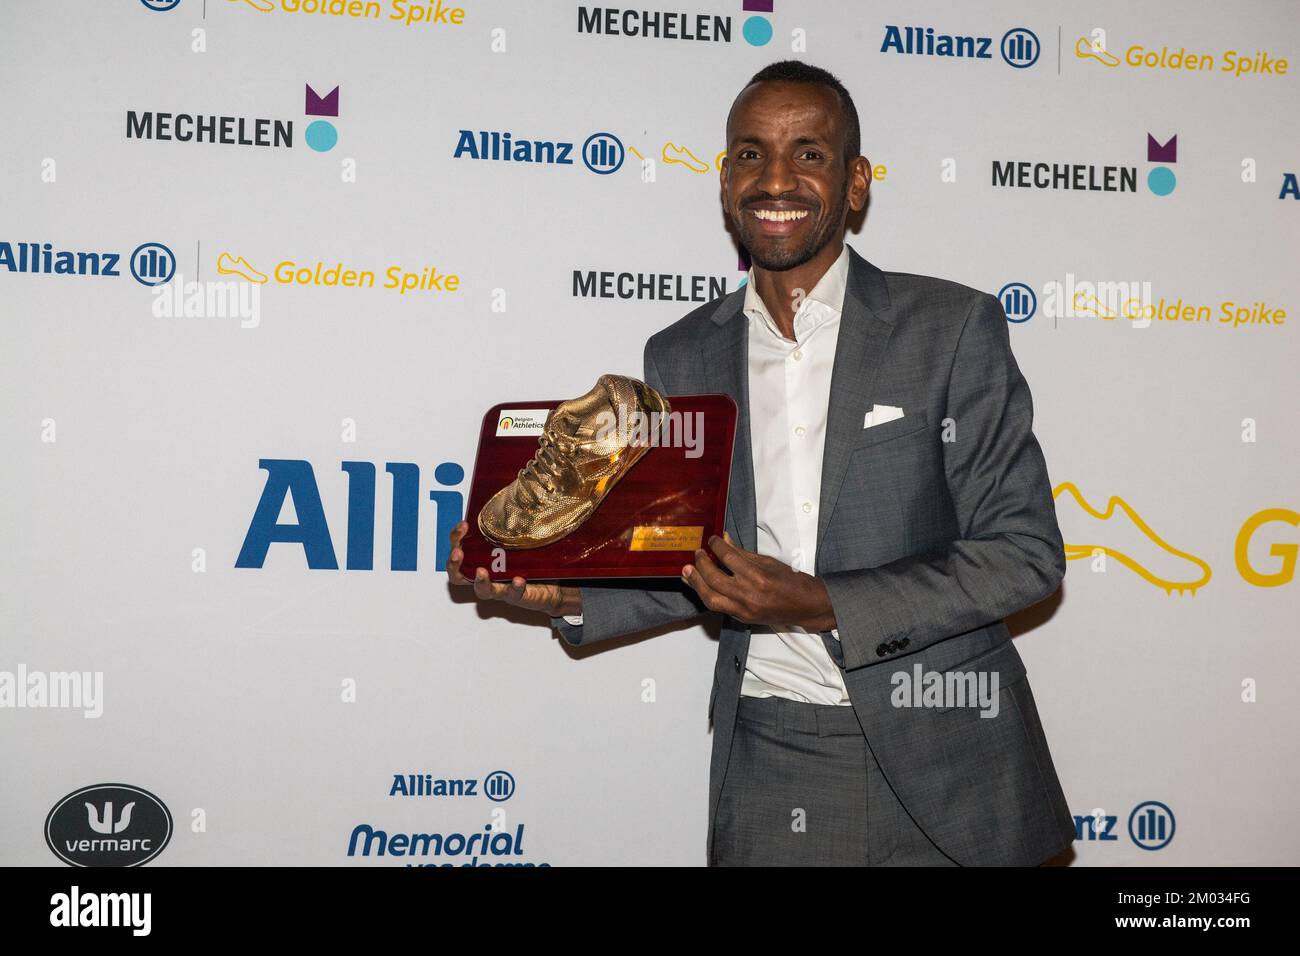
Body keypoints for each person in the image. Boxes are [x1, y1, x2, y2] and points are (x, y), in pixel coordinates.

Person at [448, 60, 1073, 867]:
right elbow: (688, 562)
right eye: (751, 154)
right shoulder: (679, 354)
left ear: (855, 184)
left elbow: (1023, 556)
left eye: (808, 154)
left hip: (948, 758)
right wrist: (562, 591)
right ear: (724, 182)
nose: (775, 178)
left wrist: (824, 604)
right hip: (771, 754)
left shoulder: (949, 329)